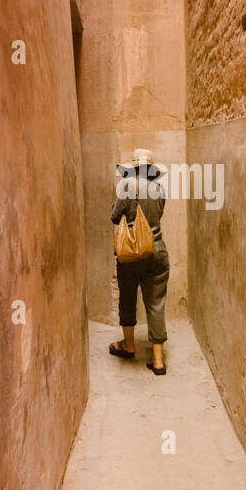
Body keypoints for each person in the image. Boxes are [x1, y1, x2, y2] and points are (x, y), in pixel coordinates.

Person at [109, 148, 170, 375]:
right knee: (156, 303)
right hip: (157, 252)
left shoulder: (126, 187)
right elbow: (157, 215)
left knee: (127, 298)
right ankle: (157, 360)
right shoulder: (159, 189)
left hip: (131, 256)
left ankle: (129, 346)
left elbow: (115, 217)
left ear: (133, 168)